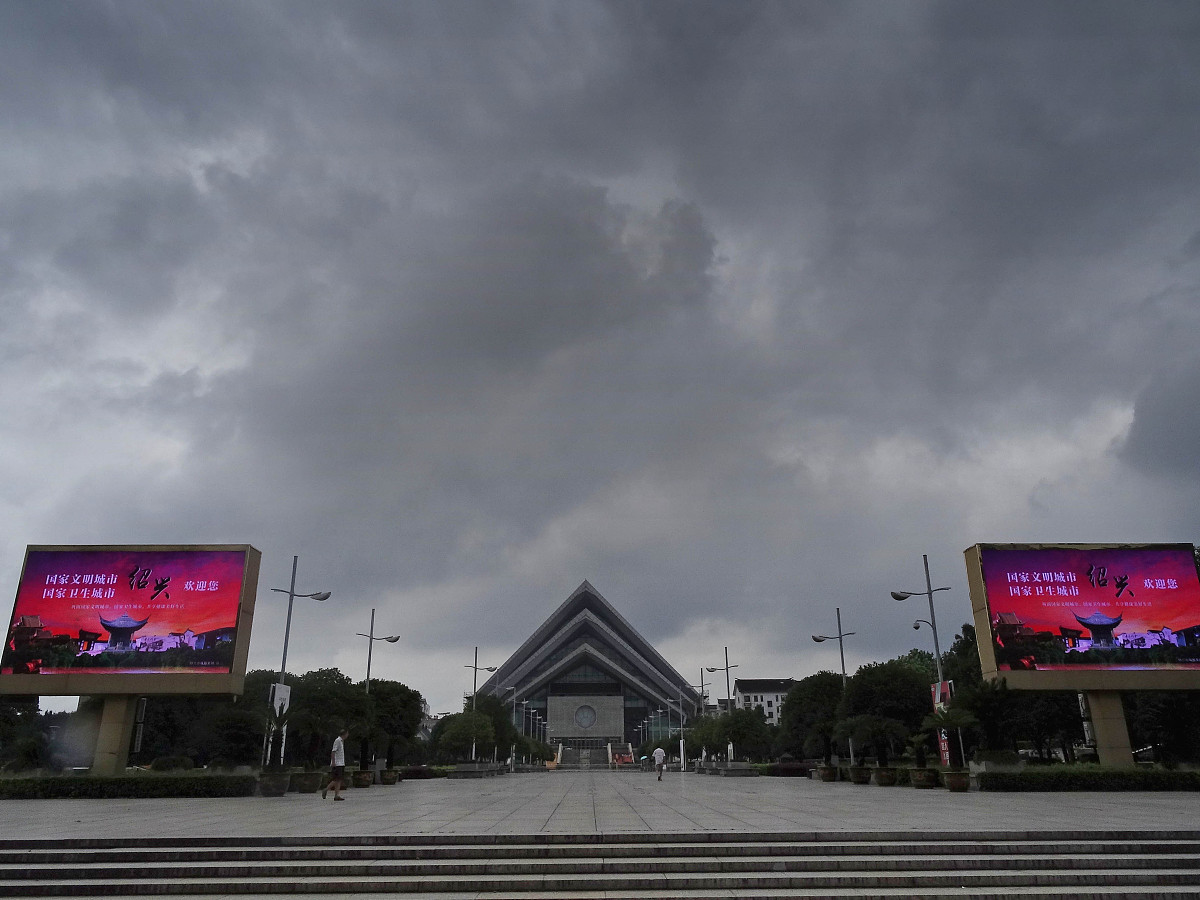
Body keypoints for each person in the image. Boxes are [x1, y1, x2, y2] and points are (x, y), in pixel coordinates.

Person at [322, 729, 349, 800]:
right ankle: (326, 789)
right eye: (347, 734)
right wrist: (333, 762)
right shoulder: (337, 740)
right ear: (345, 734)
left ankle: (337, 795)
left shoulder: (341, 741)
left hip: (341, 763)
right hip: (337, 763)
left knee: (339, 780)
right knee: (336, 779)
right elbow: (333, 751)